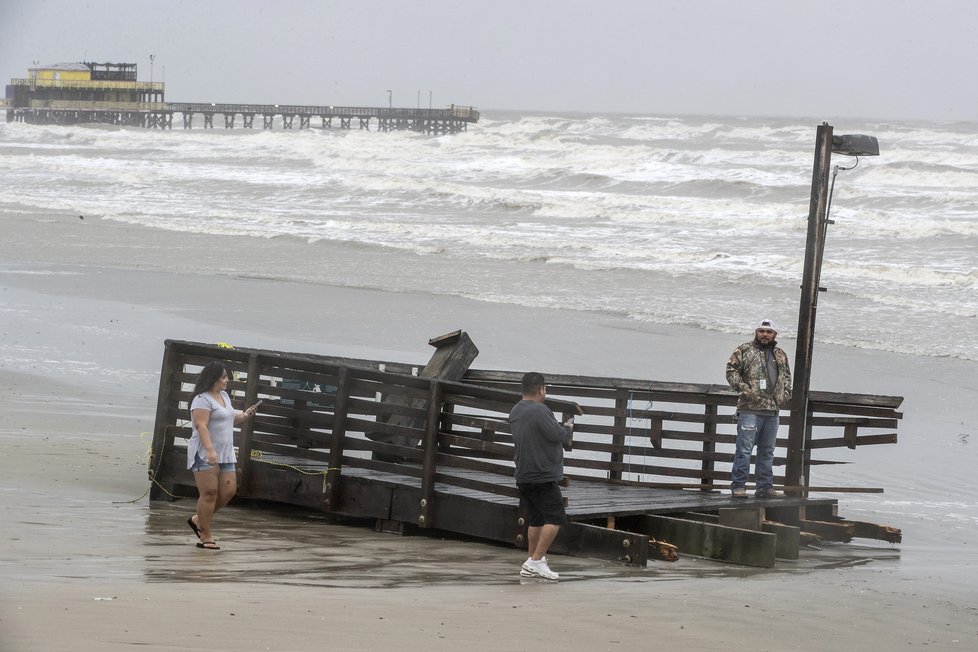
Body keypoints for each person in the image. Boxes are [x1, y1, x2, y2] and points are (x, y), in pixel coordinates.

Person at [185, 361, 259, 550]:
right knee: (209, 493)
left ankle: (197, 519)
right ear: (213, 378)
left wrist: (246, 415)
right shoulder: (201, 399)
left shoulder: (224, 396)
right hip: (205, 452)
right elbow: (201, 425)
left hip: (225, 453)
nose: (227, 380)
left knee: (228, 490)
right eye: (224, 377)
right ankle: (206, 534)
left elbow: (230, 418)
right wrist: (210, 450)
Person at [510, 372, 574, 581]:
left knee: (536, 519)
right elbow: (557, 435)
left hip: (524, 474)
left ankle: (534, 561)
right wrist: (568, 427)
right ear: (541, 389)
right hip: (541, 475)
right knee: (556, 517)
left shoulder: (516, 410)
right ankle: (535, 560)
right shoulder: (540, 410)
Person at [725, 319, 793, 499]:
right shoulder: (744, 350)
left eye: (769, 331)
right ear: (756, 332)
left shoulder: (780, 354)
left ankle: (765, 487)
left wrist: (784, 396)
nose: (765, 334)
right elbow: (731, 371)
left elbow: (787, 378)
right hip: (750, 410)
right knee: (744, 450)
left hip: (772, 412)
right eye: (761, 331)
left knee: (767, 452)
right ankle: (738, 486)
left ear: (775, 335)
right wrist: (744, 390)